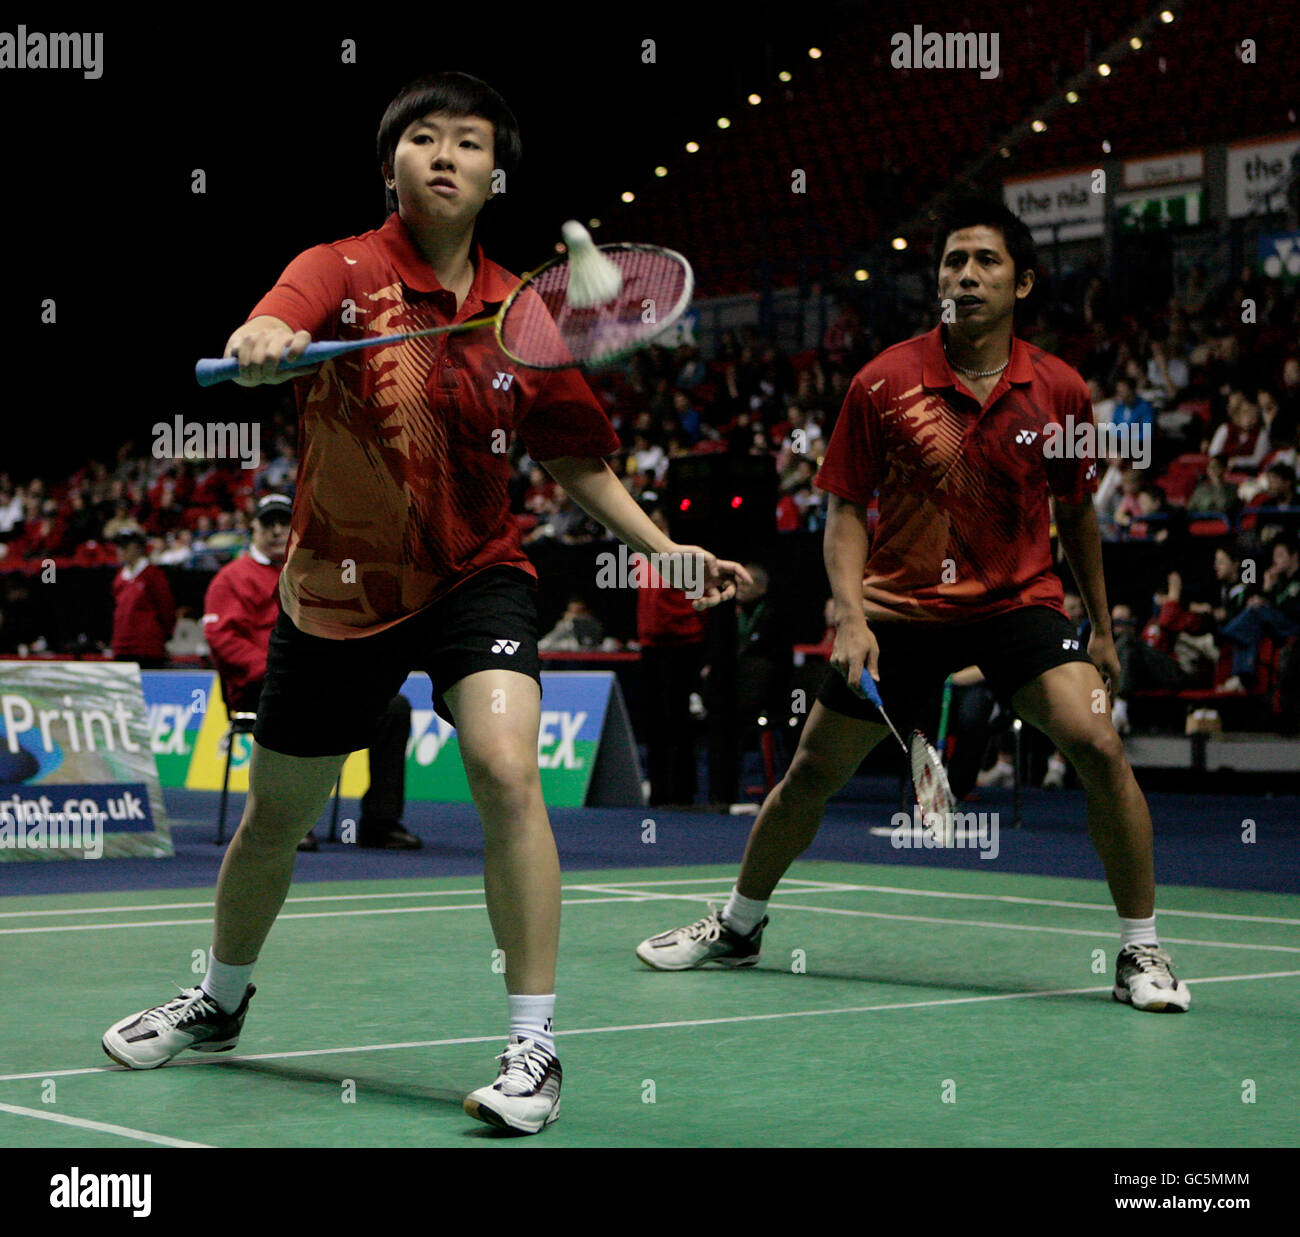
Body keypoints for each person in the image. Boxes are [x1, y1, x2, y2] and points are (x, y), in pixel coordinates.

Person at [102, 71, 748, 1136]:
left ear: (496, 176)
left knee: (502, 767)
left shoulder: (523, 315)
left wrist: (664, 546)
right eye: (422, 138)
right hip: (335, 591)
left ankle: (534, 1046)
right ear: (391, 164)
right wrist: (266, 341)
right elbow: (278, 317)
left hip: (473, 575)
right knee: (275, 819)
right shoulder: (340, 269)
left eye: (467, 143)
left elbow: (578, 462)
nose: (443, 154)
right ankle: (220, 1000)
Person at [636, 194, 1190, 1014]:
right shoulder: (883, 380)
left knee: (1098, 744)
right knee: (809, 778)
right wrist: (852, 616)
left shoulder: (1061, 390)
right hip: (899, 611)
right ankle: (741, 924)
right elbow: (846, 507)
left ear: (1024, 282)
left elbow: (1075, 513)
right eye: (952, 262)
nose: (964, 276)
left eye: (985, 262)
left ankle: (1140, 949)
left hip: (1017, 608)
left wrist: (1103, 628)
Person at [202, 493, 418, 851]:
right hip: (262, 687)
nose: (275, 531)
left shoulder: (315, 573)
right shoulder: (231, 578)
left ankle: (380, 821)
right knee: (301, 698)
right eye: (267, 523)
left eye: (283, 523)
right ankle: (287, 822)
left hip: (320, 681)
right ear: (253, 528)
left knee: (394, 708)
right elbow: (222, 639)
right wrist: (278, 672)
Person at [109, 529, 176, 671]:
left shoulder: (153, 575)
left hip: (147, 649)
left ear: (138, 548)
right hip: (122, 647)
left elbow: (166, 610)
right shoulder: (119, 578)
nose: (120, 551)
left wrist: (163, 637)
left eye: (125, 546)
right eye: (119, 546)